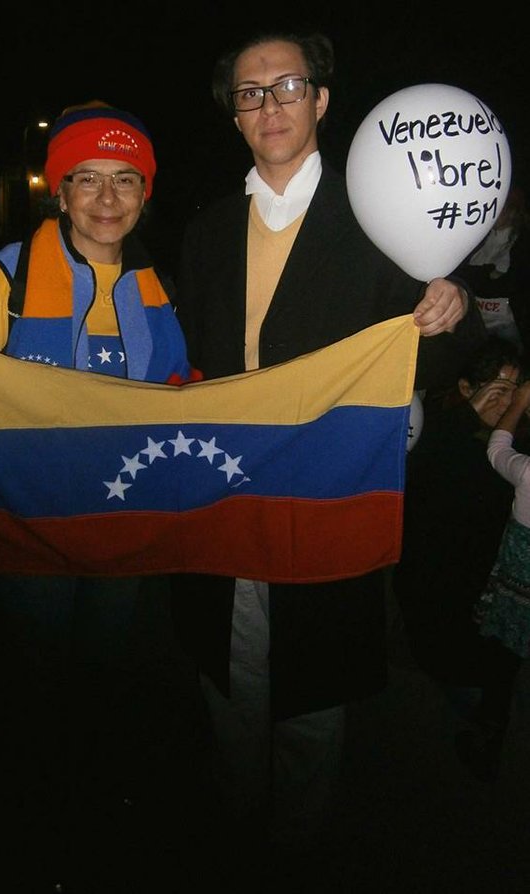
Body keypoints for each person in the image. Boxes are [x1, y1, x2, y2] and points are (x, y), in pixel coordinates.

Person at [168, 29, 486, 862]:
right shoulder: (203, 233)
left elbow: (441, 347)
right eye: (249, 92)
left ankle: (298, 853)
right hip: (225, 493)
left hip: (327, 494)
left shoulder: (382, 218)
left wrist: (451, 307)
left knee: (311, 698)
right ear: (232, 116)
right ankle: (237, 837)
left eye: (287, 86)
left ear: (321, 101)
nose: (269, 105)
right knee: (230, 680)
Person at [0, 101, 201, 888]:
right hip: (26, 531)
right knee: (36, 684)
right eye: (87, 179)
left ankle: (94, 816)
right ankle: (39, 823)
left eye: (126, 180)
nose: (107, 198)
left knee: (106, 681)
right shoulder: (8, 273)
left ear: (145, 194)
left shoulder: (157, 283)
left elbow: (181, 398)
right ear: (60, 191)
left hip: (123, 535)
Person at [393, 336, 526, 780]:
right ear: (467, 388)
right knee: (456, 669)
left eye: (514, 388)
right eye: (495, 388)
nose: (505, 399)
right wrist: (471, 417)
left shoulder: (515, 439)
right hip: (438, 582)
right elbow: (421, 477)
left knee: (493, 664)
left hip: (493, 585)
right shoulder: (440, 428)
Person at [463, 378, 530, 779]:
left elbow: (496, 449)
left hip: (515, 596)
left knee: (501, 667)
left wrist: (519, 402)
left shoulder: (528, 473)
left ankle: (489, 741)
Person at [455, 184, 530, 356]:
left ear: (511, 210)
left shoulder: (522, 242)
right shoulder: (480, 236)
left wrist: (477, 276)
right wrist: (486, 273)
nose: (491, 212)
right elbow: (460, 273)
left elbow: (511, 284)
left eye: (497, 207)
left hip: (508, 322)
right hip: (479, 321)